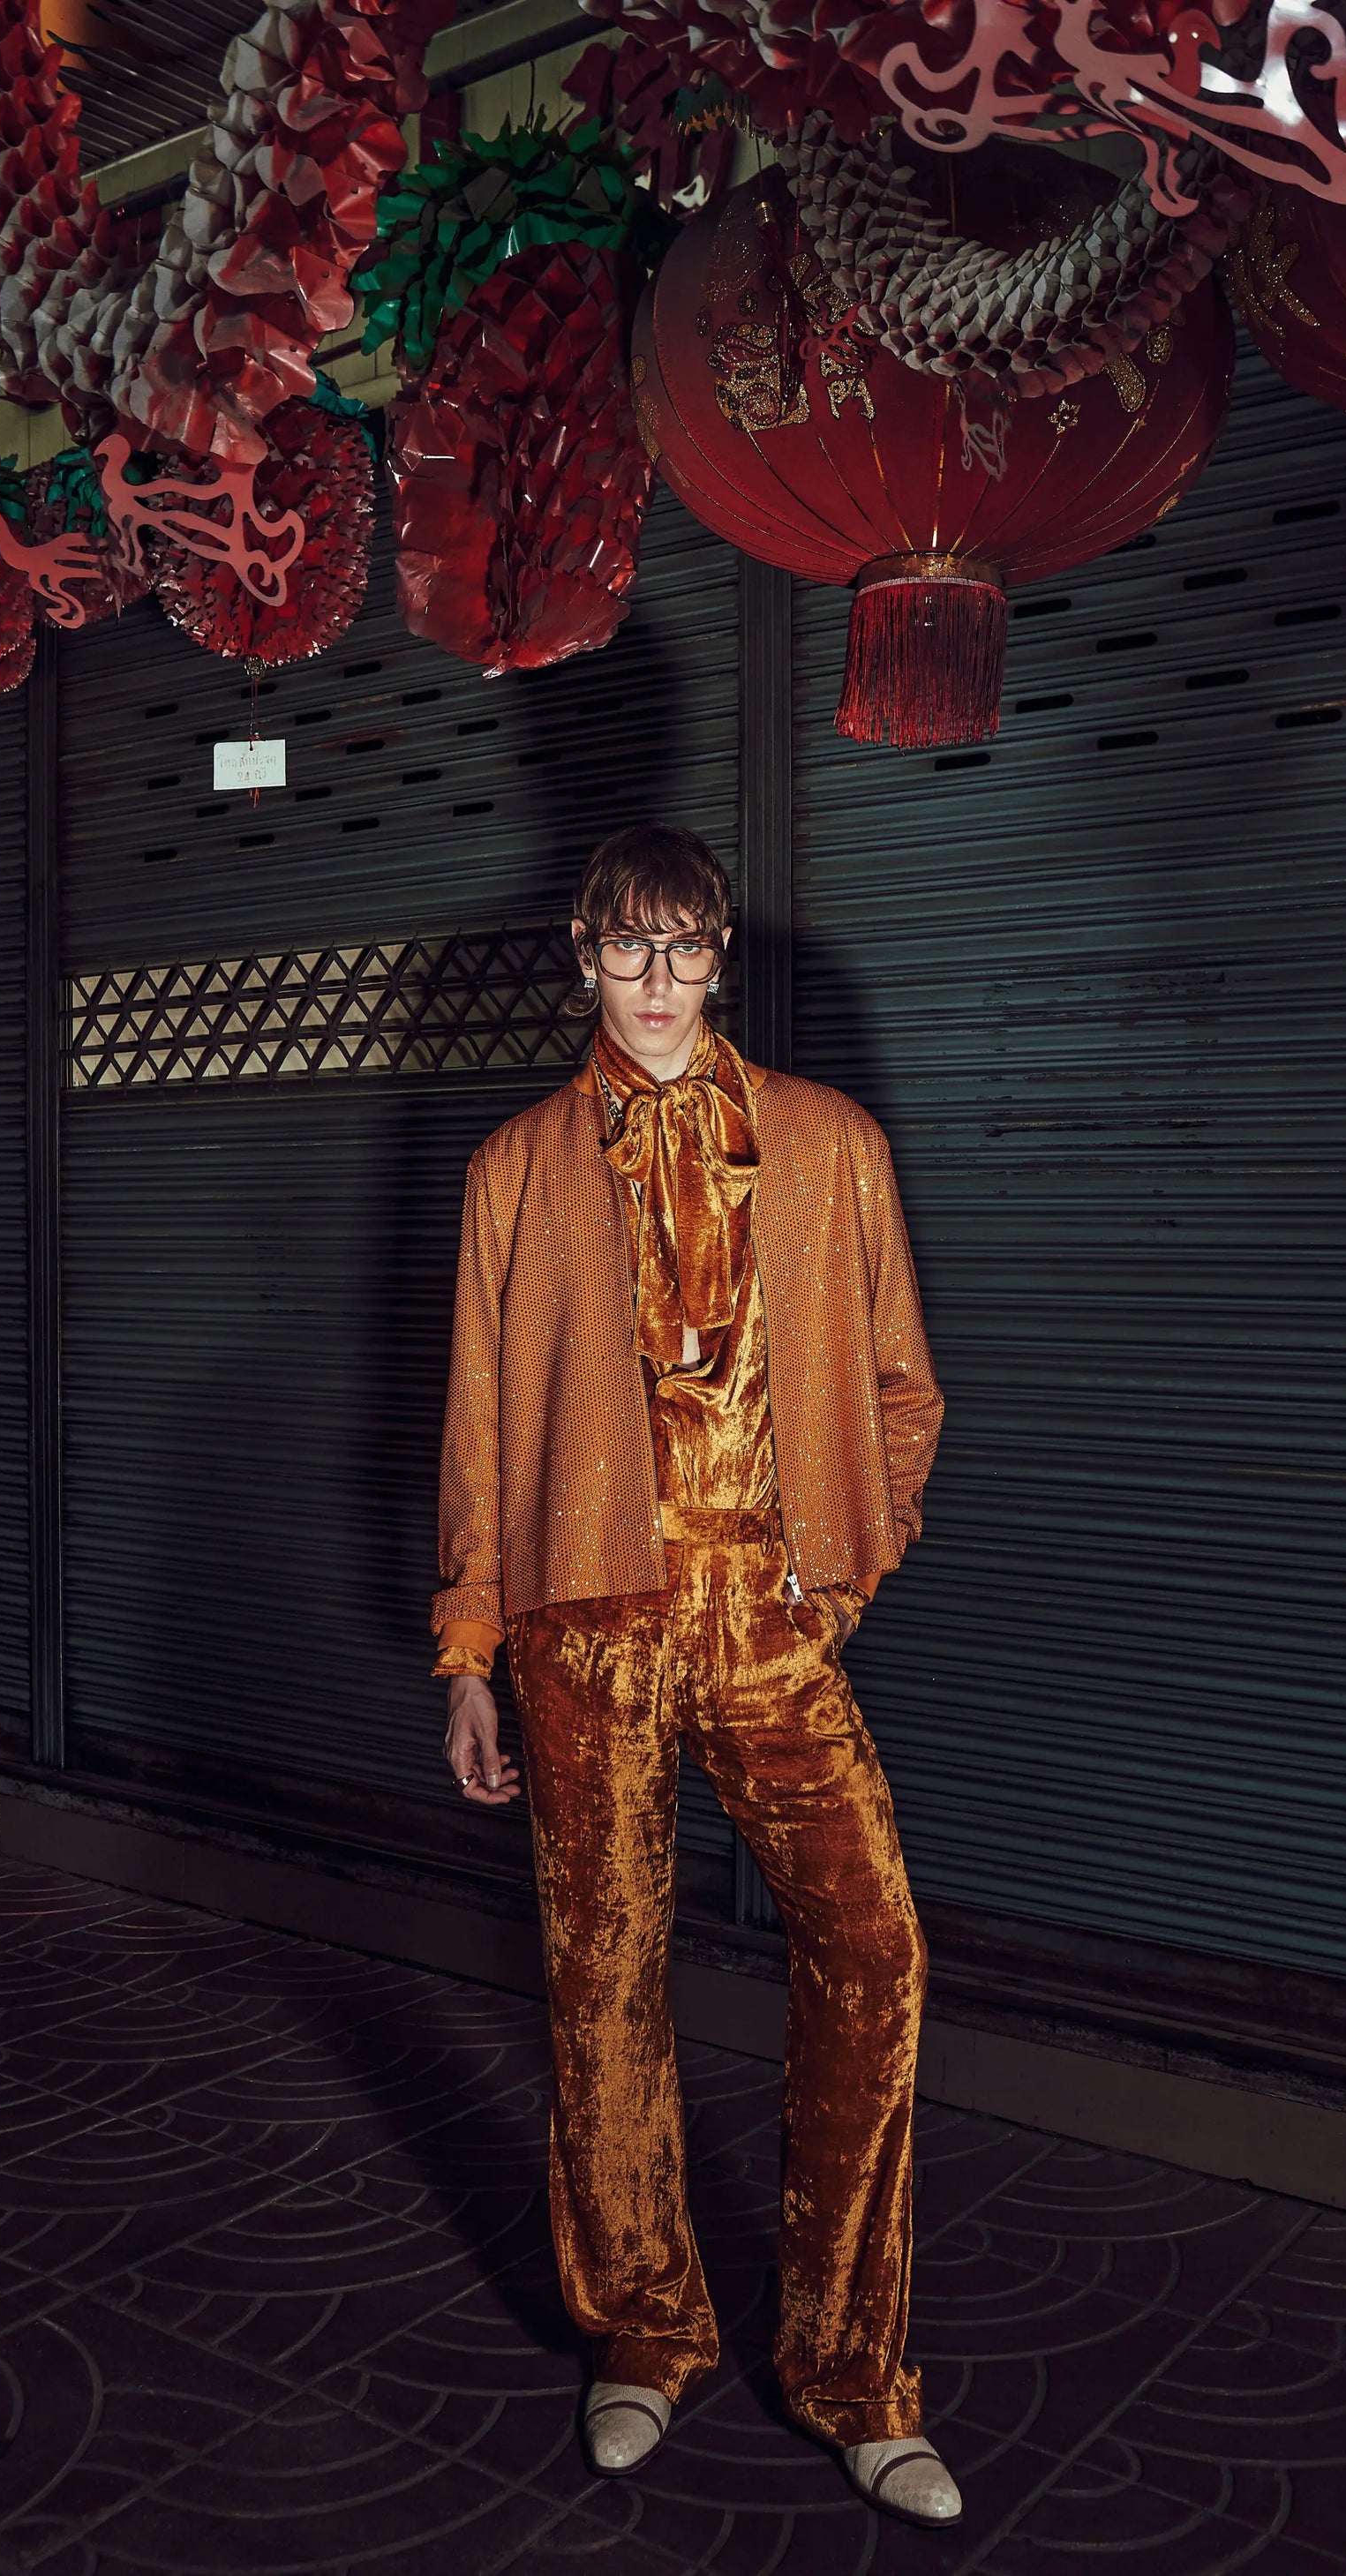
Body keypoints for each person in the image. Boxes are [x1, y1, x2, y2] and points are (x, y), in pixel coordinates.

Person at [433, 822, 960, 2530]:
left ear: (719, 957)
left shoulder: (829, 1144)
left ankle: (853, 2372)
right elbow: (478, 1426)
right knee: (600, 1979)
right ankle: (644, 2330)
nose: (655, 981)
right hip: (580, 1620)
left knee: (874, 1944)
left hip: (765, 1617)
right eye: (626, 947)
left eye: (684, 948)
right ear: (582, 954)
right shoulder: (513, 1168)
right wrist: (469, 1650)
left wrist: (846, 1570)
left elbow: (904, 1385)